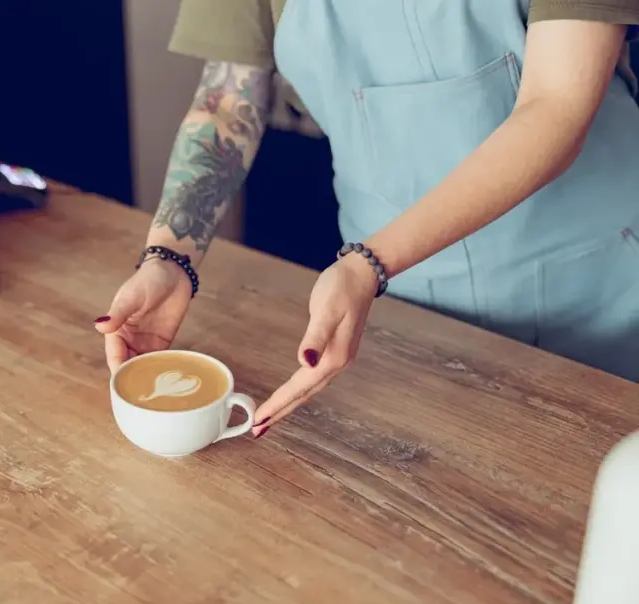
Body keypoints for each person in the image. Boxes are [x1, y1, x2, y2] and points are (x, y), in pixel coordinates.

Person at [95, 0, 639, 438]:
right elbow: (226, 103)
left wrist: (368, 265)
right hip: (397, 302)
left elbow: (557, 107)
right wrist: (169, 255)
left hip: (596, 286)